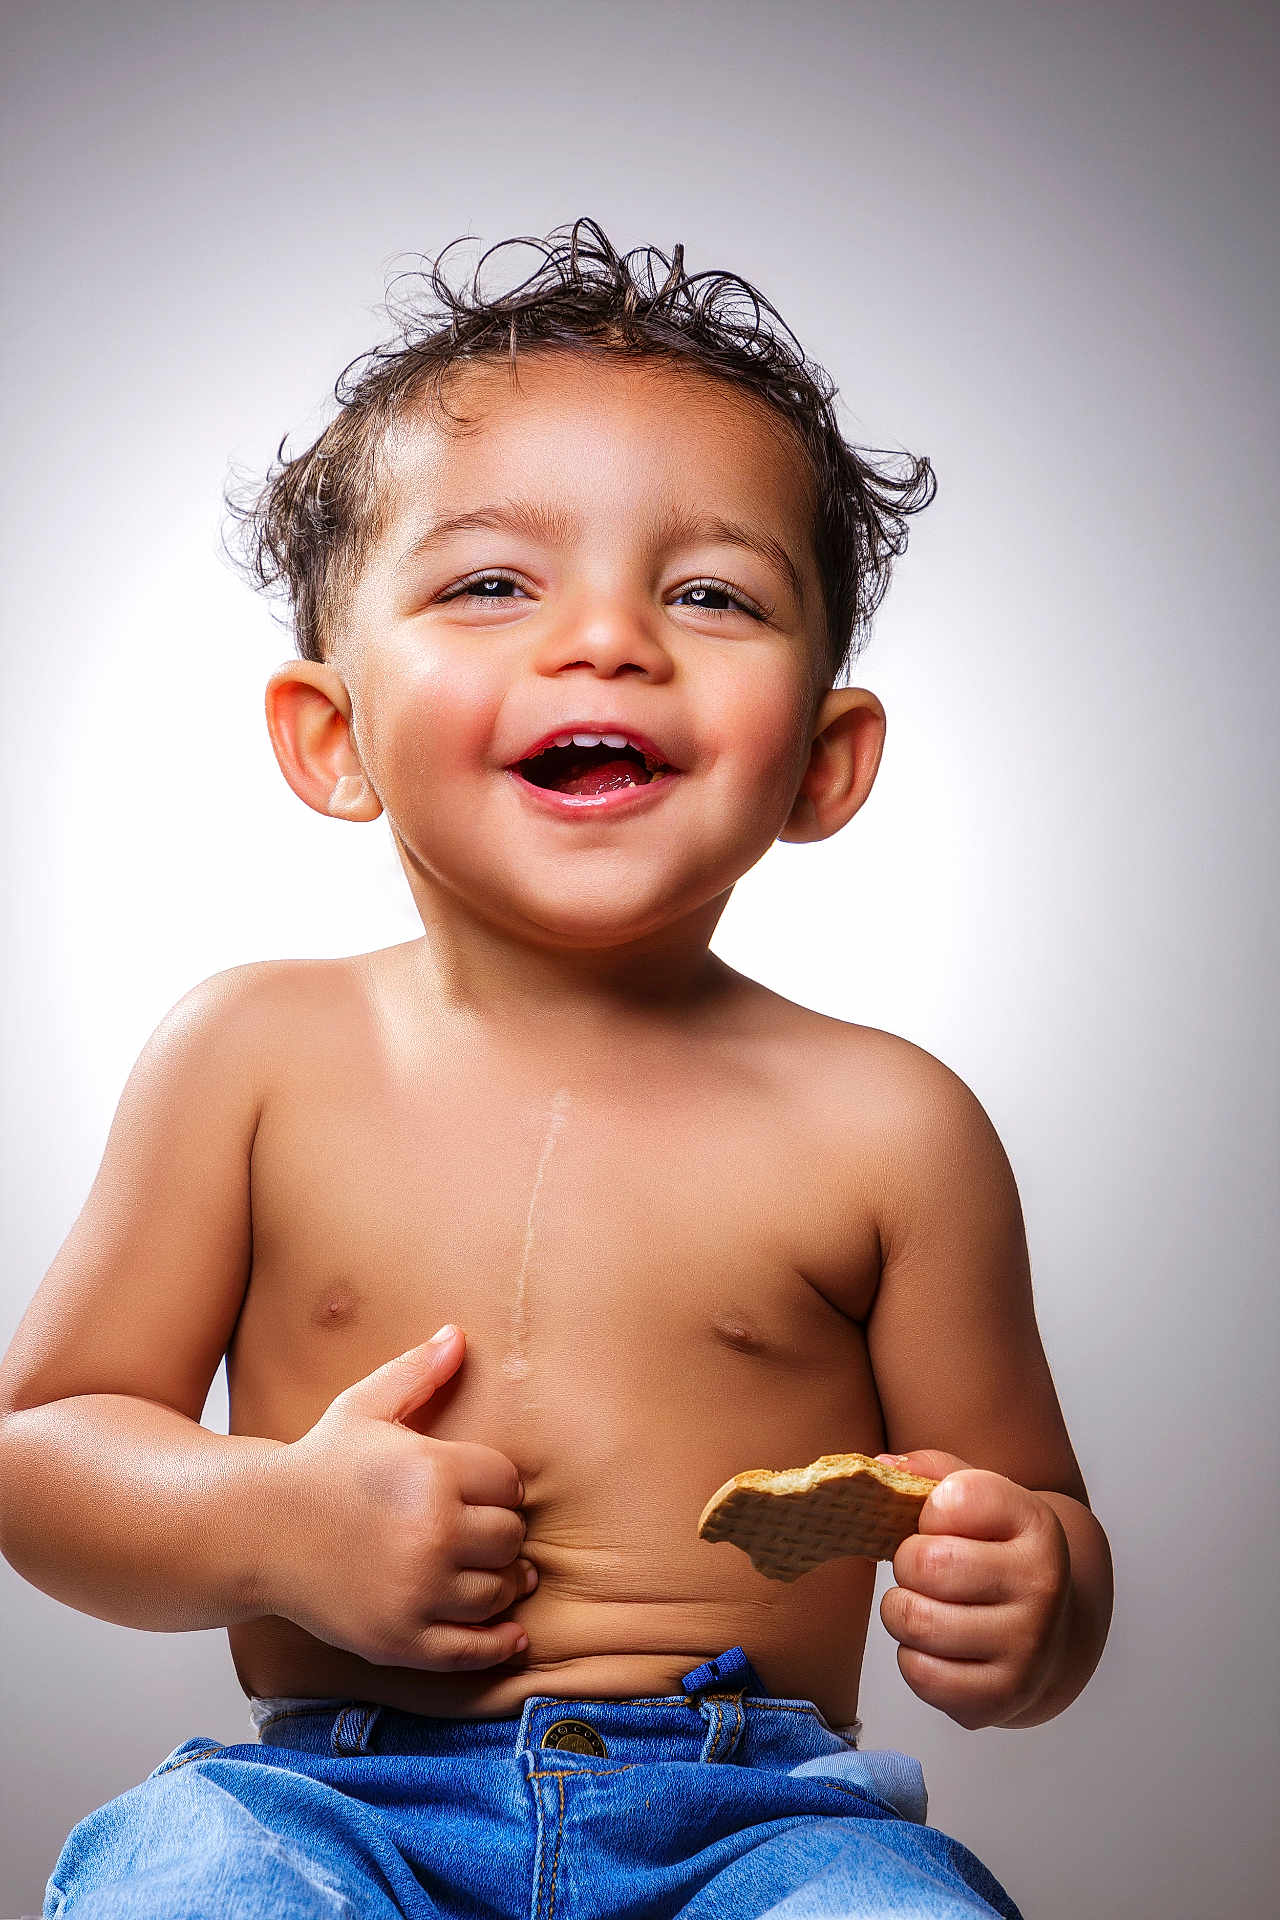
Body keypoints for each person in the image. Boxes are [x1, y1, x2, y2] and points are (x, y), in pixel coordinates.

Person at [0, 217, 1112, 1919]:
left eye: (711, 593)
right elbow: (45, 1453)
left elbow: (1022, 1502)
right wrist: (277, 1519)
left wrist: (1030, 1593)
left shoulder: (893, 1126)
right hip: (323, 1796)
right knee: (185, 1878)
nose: (608, 641)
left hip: (765, 1822)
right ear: (332, 737)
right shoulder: (253, 1057)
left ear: (824, 759)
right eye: (493, 583)